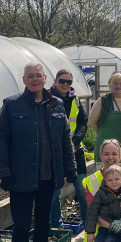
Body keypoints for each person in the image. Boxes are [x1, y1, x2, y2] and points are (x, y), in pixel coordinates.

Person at [0, 62, 77, 242]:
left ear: (44, 78)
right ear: (23, 79)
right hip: (20, 177)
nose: (34, 79)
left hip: (48, 177)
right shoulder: (12, 105)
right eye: (30, 76)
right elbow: (1, 139)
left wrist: (70, 168)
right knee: (20, 228)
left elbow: (64, 138)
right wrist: (5, 170)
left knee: (43, 223)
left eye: (38, 76)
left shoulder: (57, 105)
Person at [49, 69, 89, 228]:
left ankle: (88, 225)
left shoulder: (75, 100)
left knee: (82, 190)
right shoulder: (46, 99)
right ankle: (56, 225)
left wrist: (75, 140)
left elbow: (83, 122)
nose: (65, 84)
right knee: (54, 192)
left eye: (69, 82)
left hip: (75, 150)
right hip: (54, 152)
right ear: (55, 81)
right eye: (62, 81)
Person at [89, 71, 121, 164]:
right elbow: (92, 121)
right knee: (105, 177)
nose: (118, 86)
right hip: (106, 150)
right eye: (115, 83)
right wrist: (103, 131)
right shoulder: (103, 101)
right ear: (110, 85)